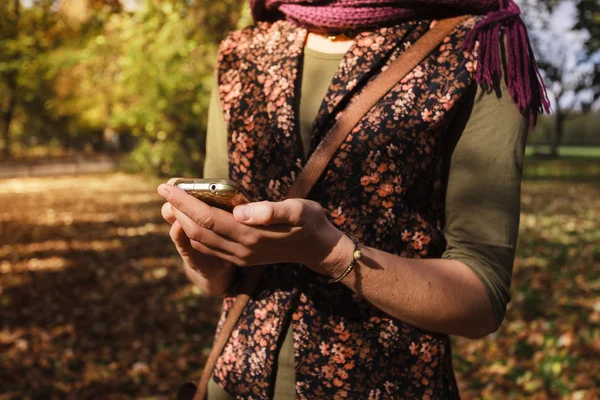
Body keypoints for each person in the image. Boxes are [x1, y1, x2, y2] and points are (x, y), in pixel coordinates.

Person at [158, 0, 549, 398]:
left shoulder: (478, 45)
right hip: (234, 383)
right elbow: (216, 282)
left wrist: (331, 253)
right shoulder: (242, 51)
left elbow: (481, 300)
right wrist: (203, 250)